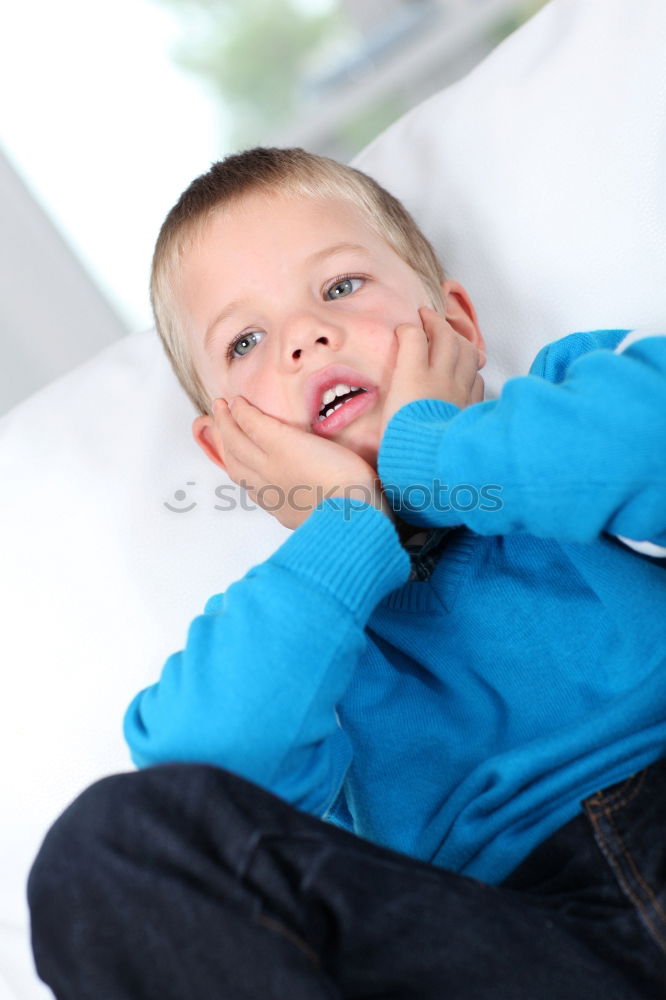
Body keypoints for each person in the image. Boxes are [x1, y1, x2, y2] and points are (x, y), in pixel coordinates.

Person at [28, 147, 666, 999]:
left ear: (457, 327)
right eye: (246, 341)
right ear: (232, 452)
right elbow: (197, 780)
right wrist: (348, 528)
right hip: (512, 941)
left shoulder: (568, 394)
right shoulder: (296, 627)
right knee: (100, 852)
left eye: (339, 288)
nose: (305, 338)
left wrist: (432, 452)